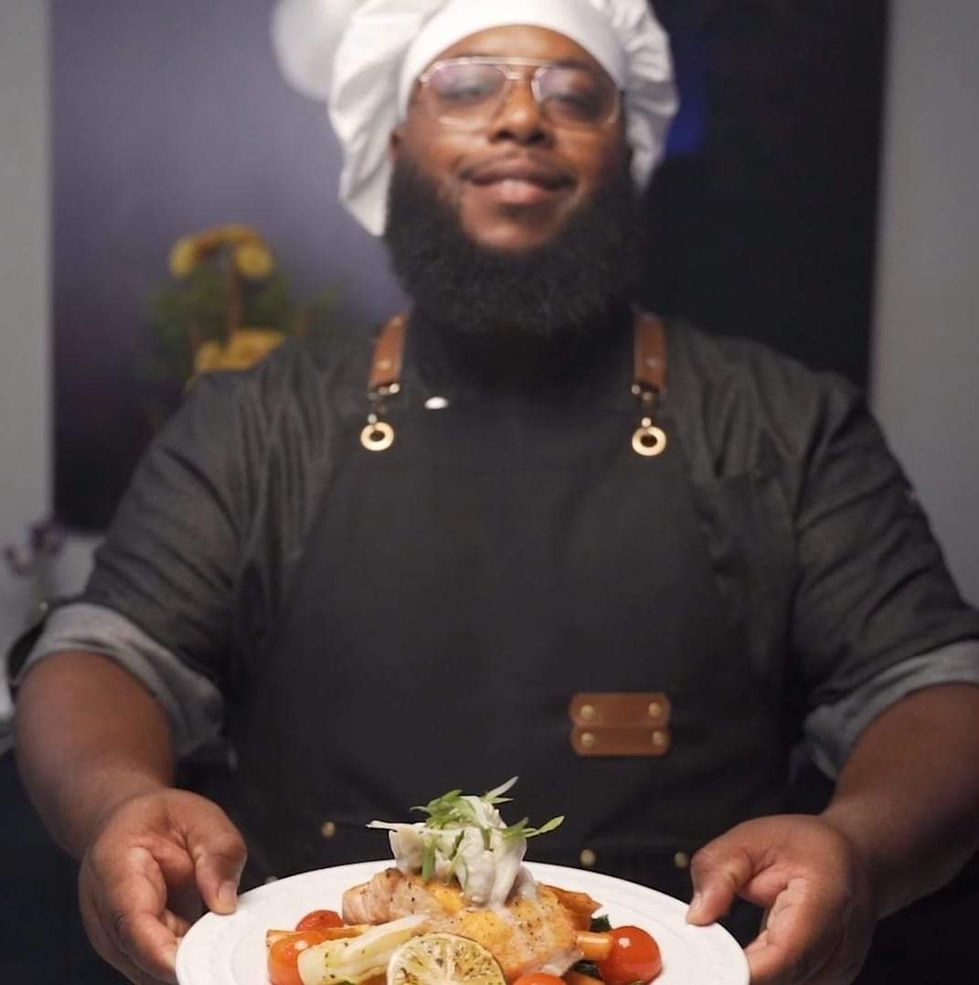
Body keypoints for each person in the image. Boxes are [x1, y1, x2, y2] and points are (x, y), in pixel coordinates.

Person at [12, 1, 979, 984]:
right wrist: (112, 803)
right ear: (394, 137)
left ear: (628, 145)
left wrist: (859, 843)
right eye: (466, 84)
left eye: (573, 92)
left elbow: (933, 690)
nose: (521, 117)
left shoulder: (789, 421)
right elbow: (102, 657)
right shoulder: (255, 422)